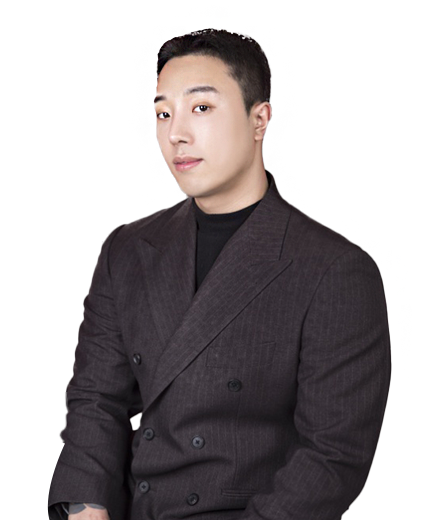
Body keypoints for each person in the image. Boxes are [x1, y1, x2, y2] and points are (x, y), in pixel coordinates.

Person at [47, 28, 391, 520]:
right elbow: (95, 399)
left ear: (259, 119)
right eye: (163, 114)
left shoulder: (335, 271)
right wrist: (88, 507)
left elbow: (332, 457)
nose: (176, 134)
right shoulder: (129, 248)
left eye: (202, 108)